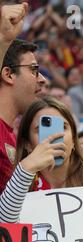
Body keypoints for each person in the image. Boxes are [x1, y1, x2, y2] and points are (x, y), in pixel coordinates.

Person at [15, 96, 83, 192]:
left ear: (73, 140)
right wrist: (24, 172)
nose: (55, 135)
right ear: (27, 144)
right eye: (41, 129)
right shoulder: (17, 186)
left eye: (63, 127)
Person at [0, 3, 47, 194]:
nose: (43, 80)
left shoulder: (14, 138)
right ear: (8, 74)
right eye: (34, 70)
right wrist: (3, 40)